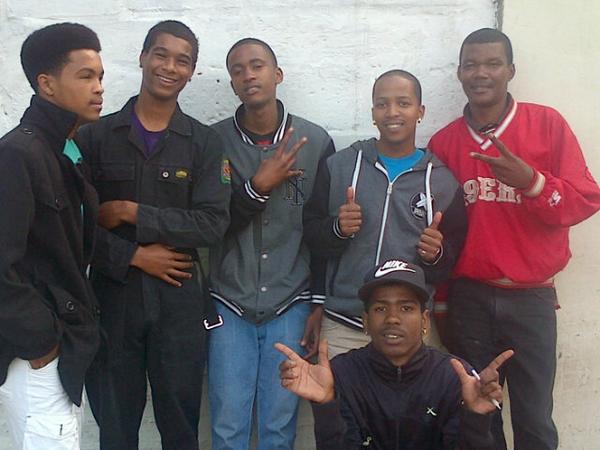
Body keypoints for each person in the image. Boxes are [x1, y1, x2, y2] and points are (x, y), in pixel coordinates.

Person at [428, 28, 600, 450]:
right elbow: (441, 234)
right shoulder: (444, 142)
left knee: (535, 420)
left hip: (531, 298)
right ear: (459, 72)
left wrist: (532, 182)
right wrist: (443, 303)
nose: (481, 73)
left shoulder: (546, 125)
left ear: (511, 70)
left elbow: (584, 200)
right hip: (469, 299)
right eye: (471, 65)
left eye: (493, 63)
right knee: (478, 416)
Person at [77, 21, 230, 450]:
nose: (170, 67)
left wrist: (133, 212)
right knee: (115, 428)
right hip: (112, 300)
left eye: (182, 60)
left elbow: (212, 223)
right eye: (161, 54)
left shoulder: (204, 143)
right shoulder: (94, 137)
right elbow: (76, 227)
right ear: (143, 57)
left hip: (178, 302)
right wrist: (132, 256)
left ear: (192, 71)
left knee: (180, 428)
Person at [208, 37, 335, 450]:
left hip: (290, 302)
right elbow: (209, 225)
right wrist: (256, 187)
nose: (248, 75)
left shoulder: (314, 141)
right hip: (229, 302)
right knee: (228, 425)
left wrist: (318, 302)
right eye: (238, 70)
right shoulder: (212, 143)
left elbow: (319, 229)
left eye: (257, 65)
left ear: (277, 75)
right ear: (232, 83)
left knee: (279, 428)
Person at [303, 69, 467, 357]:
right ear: (373, 113)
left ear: (420, 111)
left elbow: (450, 261)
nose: (392, 112)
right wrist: (337, 229)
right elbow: (311, 235)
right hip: (344, 324)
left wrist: (435, 255)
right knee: (334, 389)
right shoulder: (340, 166)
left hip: (409, 329)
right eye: (382, 104)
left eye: (403, 103)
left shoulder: (442, 182)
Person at [276, 259, 513, 450]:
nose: (392, 318)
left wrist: (475, 418)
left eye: (406, 308)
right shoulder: (341, 373)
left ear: (424, 320)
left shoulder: (454, 376)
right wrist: (326, 405)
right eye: (380, 308)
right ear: (366, 321)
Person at [0, 23, 104, 449]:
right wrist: (43, 341)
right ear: (46, 84)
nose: (99, 87)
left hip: (63, 348)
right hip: (38, 356)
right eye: (86, 76)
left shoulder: (66, 149)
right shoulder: (17, 154)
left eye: (100, 76)